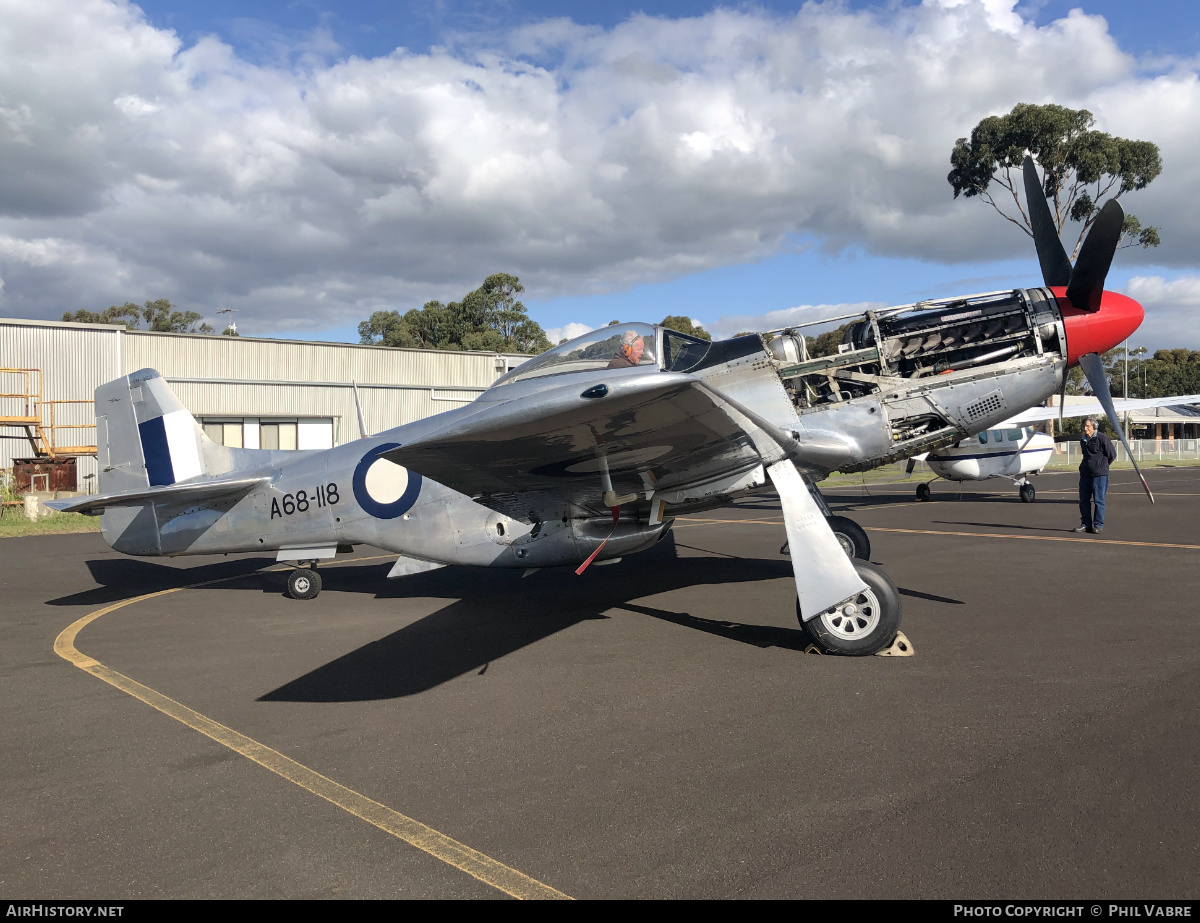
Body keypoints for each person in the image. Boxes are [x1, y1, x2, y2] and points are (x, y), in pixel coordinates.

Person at [1074, 417, 1116, 534]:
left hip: (1099, 475)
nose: (1085, 428)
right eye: (1084, 426)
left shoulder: (1102, 438)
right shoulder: (1083, 440)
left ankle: (1098, 525)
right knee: (1084, 500)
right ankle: (1085, 524)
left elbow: (1112, 454)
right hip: (1085, 474)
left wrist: (1102, 466)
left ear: (1094, 427)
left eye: (1088, 426)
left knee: (1099, 500)